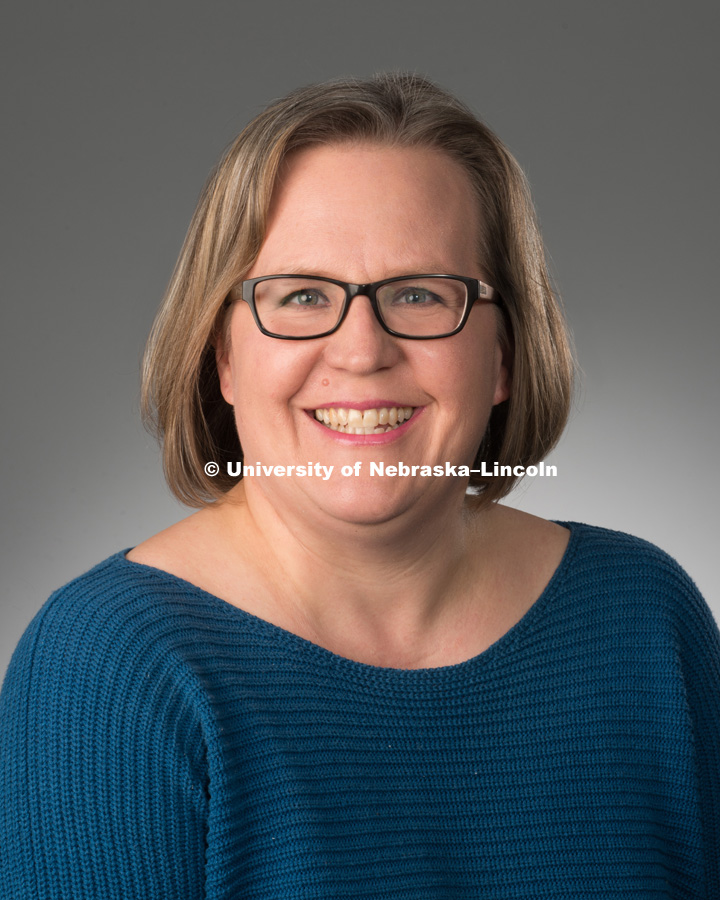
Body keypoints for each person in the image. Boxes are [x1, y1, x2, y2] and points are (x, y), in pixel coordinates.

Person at [1, 73, 718, 898]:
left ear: (505, 356)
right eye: (301, 295)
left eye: (420, 294)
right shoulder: (109, 669)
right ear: (224, 356)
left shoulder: (646, 618)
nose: (361, 350)